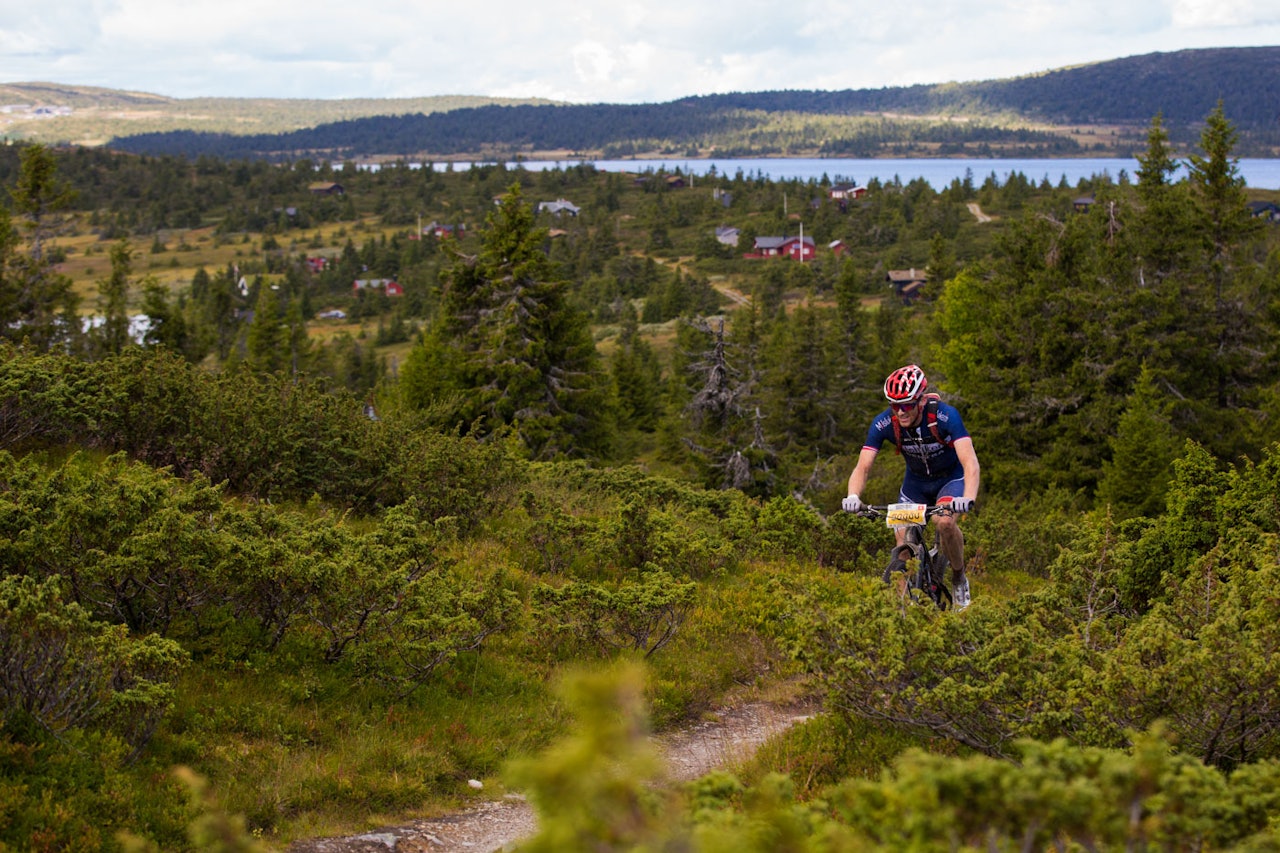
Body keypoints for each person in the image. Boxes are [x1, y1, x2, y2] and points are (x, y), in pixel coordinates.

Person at [841, 364, 980, 609]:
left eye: (906, 405)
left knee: (945, 522)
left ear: (921, 400)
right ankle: (902, 612)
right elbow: (863, 466)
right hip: (915, 486)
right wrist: (853, 495)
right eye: (895, 406)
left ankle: (959, 578)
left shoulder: (945, 416)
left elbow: (970, 462)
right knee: (902, 548)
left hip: (950, 481)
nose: (901, 412)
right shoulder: (883, 423)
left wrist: (967, 497)